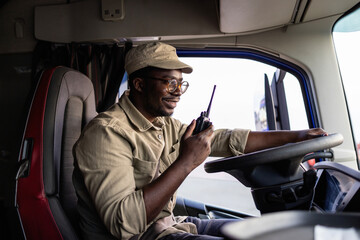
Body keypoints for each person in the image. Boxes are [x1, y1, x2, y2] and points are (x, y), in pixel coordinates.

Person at [72, 42, 327, 240]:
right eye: (169, 82)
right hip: (139, 237)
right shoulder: (106, 133)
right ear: (138, 84)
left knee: (264, 233)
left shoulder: (163, 124)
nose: (177, 92)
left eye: (181, 84)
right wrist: (186, 162)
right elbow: (123, 225)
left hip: (167, 225)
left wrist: (297, 136)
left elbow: (227, 139)